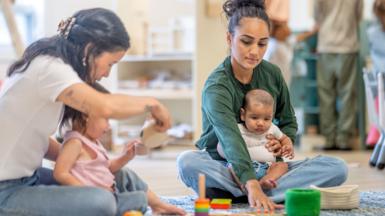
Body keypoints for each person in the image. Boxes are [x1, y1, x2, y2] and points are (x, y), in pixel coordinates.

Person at [0, 8, 184, 216]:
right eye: (110, 64)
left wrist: (82, 159)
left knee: (114, 173)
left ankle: (154, 204)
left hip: (30, 178)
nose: (107, 74)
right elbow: (104, 106)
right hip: (6, 191)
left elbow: (34, 140)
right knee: (100, 202)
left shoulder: (51, 66)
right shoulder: (48, 68)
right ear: (90, 49)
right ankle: (129, 202)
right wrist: (154, 104)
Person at [177, 0, 348, 213]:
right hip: (226, 164)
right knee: (187, 162)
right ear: (230, 38)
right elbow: (231, 141)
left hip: (269, 169)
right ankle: (258, 191)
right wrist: (250, 181)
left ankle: (241, 194)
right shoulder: (217, 86)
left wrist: (284, 142)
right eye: (246, 42)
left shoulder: (272, 74)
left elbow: (288, 120)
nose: (254, 52)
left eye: (262, 43)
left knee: (337, 167)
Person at [53, 83, 176, 215]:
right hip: (91, 201)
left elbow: (107, 167)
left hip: (108, 194)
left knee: (128, 177)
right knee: (139, 199)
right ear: (86, 115)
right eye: (106, 119)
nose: (109, 126)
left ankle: (158, 205)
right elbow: (60, 173)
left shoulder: (92, 141)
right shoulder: (74, 143)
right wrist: (88, 191)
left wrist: (125, 157)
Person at [314, 0, 363, 150]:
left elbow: (317, 15)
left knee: (326, 95)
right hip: (348, 46)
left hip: (326, 45)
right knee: (347, 94)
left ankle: (329, 139)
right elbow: (358, 15)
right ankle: (344, 140)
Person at [365, 0, 385, 146]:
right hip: (380, 80)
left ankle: (376, 131)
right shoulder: (373, 33)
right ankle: (376, 131)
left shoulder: (372, 33)